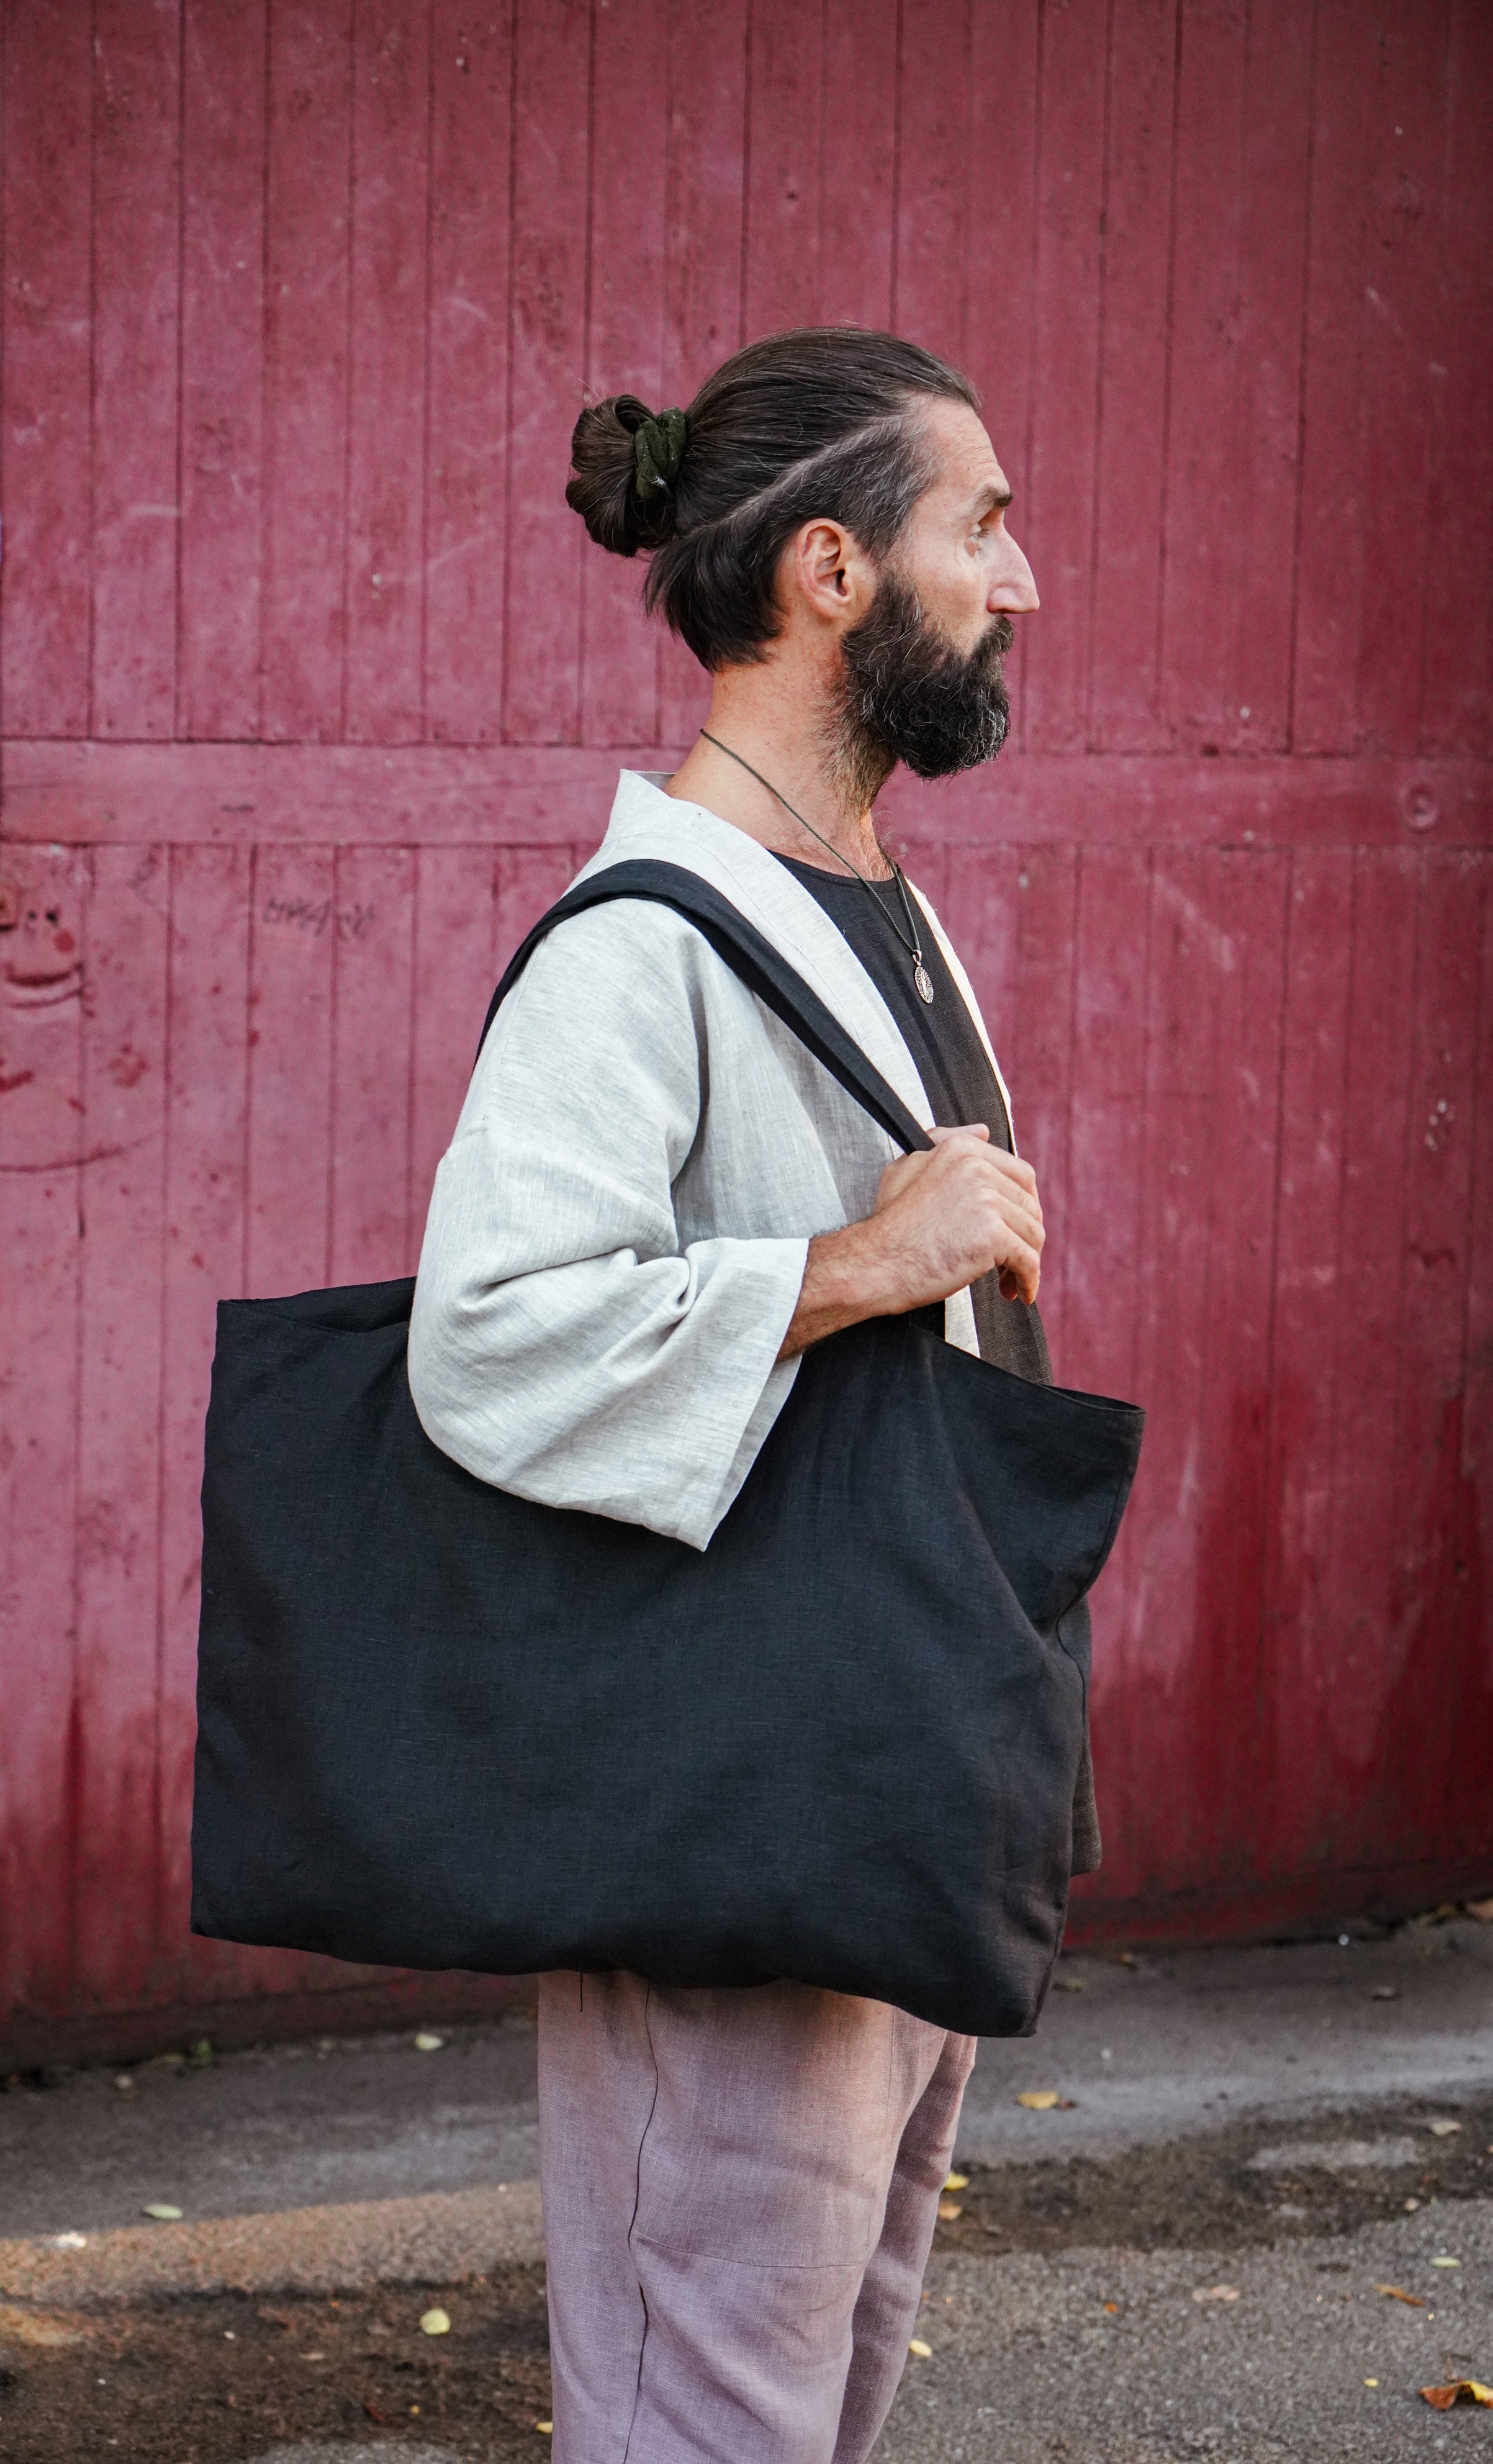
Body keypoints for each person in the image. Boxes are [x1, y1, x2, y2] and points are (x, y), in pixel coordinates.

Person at [408, 327, 1080, 2464]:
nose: (1019, 579)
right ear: (827, 570)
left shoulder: (876, 909)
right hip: (731, 1810)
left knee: (822, 2386)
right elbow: (490, 1332)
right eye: (979, 525)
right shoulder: (648, 942)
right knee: (706, 2411)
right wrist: (854, 1265)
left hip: (880, 1783)